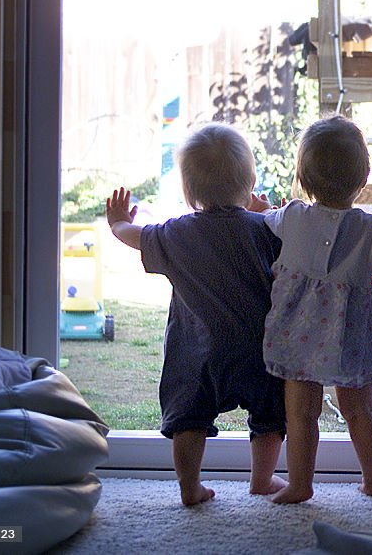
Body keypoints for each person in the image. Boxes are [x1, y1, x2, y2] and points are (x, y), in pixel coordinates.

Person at [104, 123, 286, 507]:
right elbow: (281, 236)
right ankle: (262, 480)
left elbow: (132, 234)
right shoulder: (265, 228)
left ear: (187, 191)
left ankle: (190, 487)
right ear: (249, 181)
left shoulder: (176, 233)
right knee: (270, 415)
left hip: (197, 352)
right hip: (260, 348)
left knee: (190, 418)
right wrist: (264, 212)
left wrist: (119, 220)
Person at [255, 115, 372, 504]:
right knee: (360, 411)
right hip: (351, 335)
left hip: (298, 333)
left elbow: (261, 223)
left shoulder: (291, 216)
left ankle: (301, 484)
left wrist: (259, 207)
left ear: (302, 178)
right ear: (364, 176)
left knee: (301, 415)